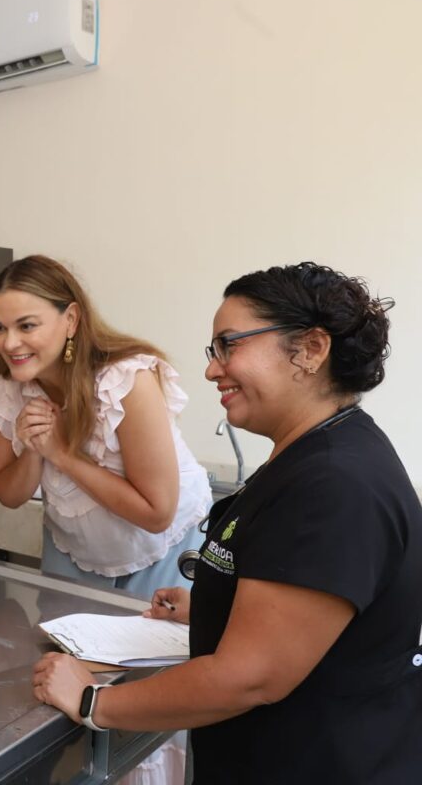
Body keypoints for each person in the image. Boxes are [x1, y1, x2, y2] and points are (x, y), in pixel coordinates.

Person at [32, 263, 422, 784]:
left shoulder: (333, 483)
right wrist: (213, 607)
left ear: (309, 350)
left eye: (228, 345)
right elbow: (304, 605)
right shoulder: (314, 453)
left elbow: (249, 678)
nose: (213, 369)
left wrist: (93, 700)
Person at [0, 255, 211, 596]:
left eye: (26, 326)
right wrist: (33, 449)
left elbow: (157, 513)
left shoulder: (125, 382)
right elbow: (7, 494)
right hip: (73, 551)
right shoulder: (5, 387)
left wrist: (61, 455)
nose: (10, 343)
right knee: (61, 646)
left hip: (164, 551)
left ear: (71, 319)